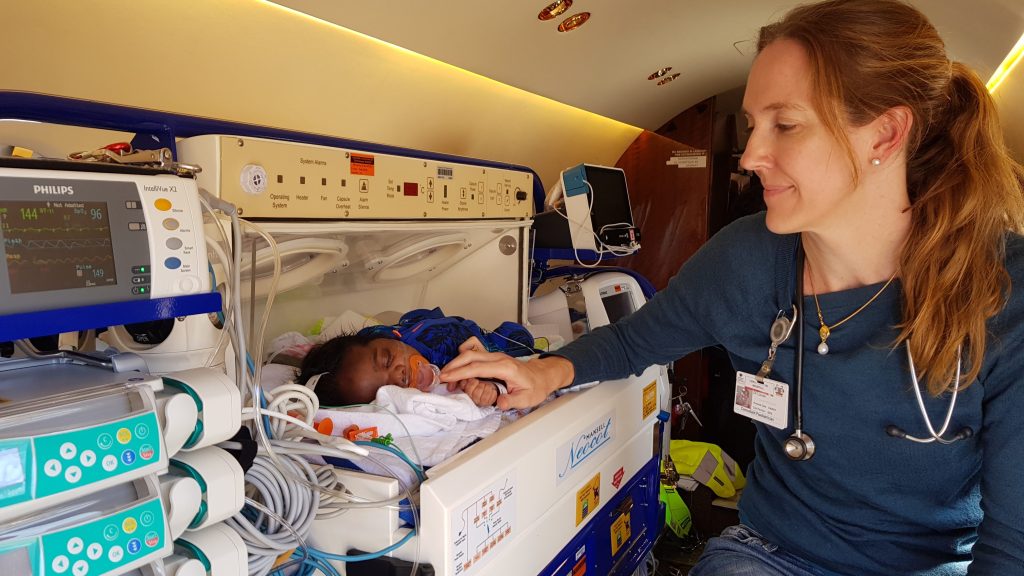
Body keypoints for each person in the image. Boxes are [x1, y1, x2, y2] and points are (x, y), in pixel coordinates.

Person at [440, 0, 1024, 573]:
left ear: (886, 134)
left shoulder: (1005, 291)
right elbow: (630, 343)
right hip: (771, 554)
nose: (751, 155)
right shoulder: (746, 258)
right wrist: (541, 373)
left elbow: (1012, 547)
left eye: (785, 125)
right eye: (751, 125)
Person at [298, 307, 535, 407]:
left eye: (388, 360)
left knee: (520, 340)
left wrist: (489, 372)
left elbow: (501, 365)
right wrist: (490, 389)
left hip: (475, 337)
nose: (399, 375)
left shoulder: (436, 349)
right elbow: (493, 381)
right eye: (387, 389)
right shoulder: (448, 381)